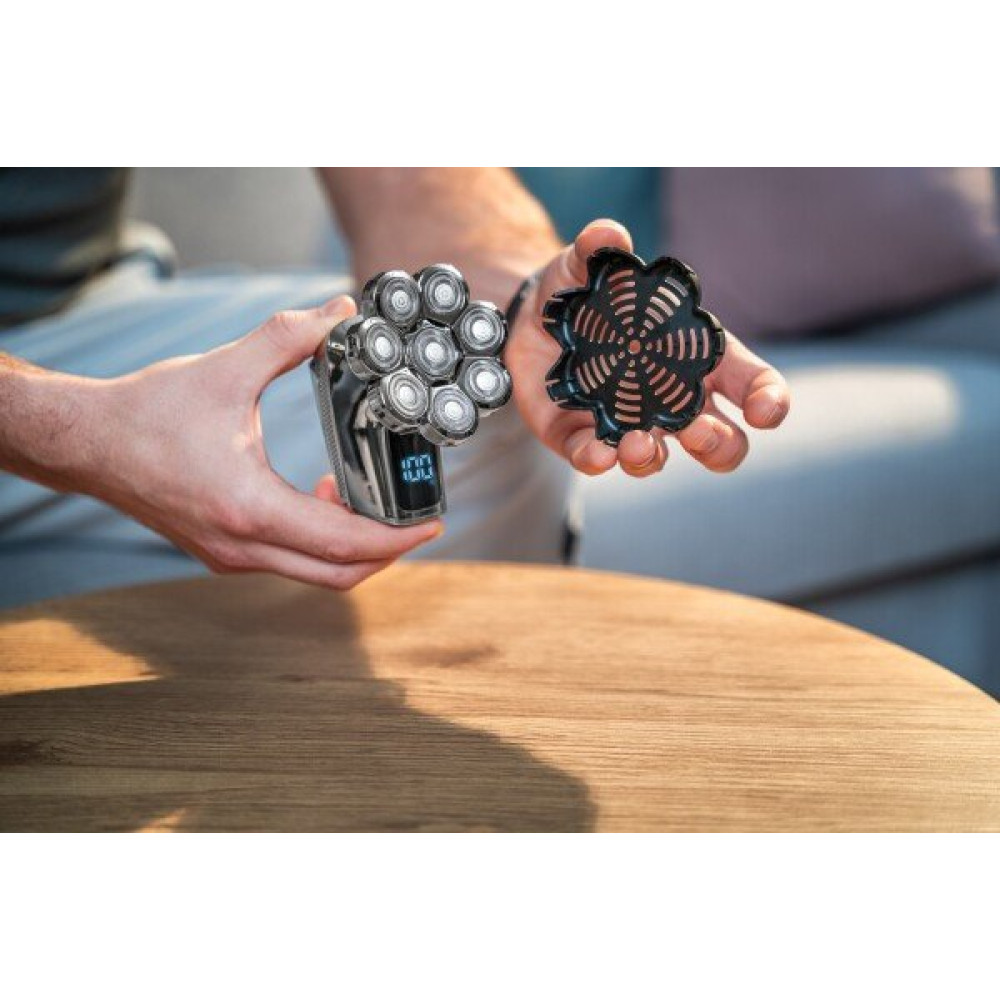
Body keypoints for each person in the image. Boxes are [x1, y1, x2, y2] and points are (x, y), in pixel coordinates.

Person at [0, 168, 790, 606]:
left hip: (93, 305)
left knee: (503, 416)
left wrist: (521, 295)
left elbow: (401, 166)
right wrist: (79, 432)